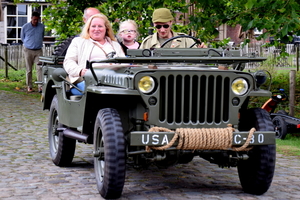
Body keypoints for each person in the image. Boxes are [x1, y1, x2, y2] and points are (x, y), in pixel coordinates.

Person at [64, 14, 126, 95]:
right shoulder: (78, 42)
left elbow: (125, 63)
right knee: (99, 93)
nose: (96, 29)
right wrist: (80, 71)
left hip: (114, 80)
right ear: (88, 28)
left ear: (106, 28)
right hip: (86, 80)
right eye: (93, 26)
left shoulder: (115, 45)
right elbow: (69, 62)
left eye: (100, 26)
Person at [139, 8, 206, 49]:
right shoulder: (148, 43)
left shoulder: (185, 40)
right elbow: (139, 65)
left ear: (171, 22)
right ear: (154, 24)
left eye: (165, 26)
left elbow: (197, 64)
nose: (162, 30)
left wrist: (203, 53)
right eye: (158, 26)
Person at [21, 11, 45, 92]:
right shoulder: (25, 27)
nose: (36, 21)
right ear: (31, 18)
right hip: (28, 50)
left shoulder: (42, 27)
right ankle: (29, 86)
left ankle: (40, 86)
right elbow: (22, 38)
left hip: (38, 50)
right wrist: (28, 44)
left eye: (37, 20)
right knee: (29, 69)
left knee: (40, 68)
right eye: (34, 19)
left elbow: (42, 36)